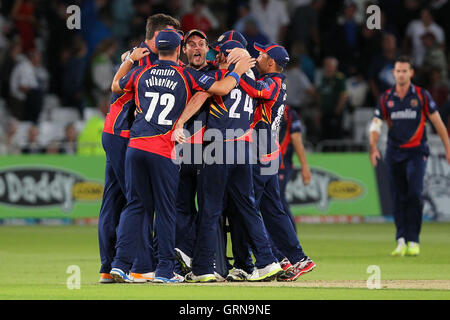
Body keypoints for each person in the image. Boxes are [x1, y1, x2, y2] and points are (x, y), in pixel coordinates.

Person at [109, 28, 256, 283]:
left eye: (202, 44)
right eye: (191, 44)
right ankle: (167, 270)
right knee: (172, 211)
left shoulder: (142, 71)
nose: (197, 48)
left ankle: (120, 265)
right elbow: (221, 87)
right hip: (167, 148)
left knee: (136, 206)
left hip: (137, 145)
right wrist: (239, 69)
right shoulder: (185, 74)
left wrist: (129, 59)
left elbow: (114, 86)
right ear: (180, 49)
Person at [174, 39, 284, 283]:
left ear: (226, 57)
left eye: (220, 54)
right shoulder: (252, 81)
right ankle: (267, 262)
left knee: (210, 209)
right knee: (248, 207)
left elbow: (202, 96)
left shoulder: (220, 79)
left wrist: (180, 123)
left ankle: (203, 268)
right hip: (245, 149)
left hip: (218, 148)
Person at [98, 13, 181, 284]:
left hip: (114, 132)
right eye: (173, 35)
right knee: (141, 202)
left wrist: (128, 58)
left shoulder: (135, 57)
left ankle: (109, 266)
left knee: (114, 201)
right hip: (128, 135)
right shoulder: (147, 61)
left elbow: (117, 84)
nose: (176, 41)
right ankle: (141, 266)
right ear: (159, 35)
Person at [225, 42, 316, 282]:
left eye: (262, 55)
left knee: (248, 208)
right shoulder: (277, 82)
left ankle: (268, 260)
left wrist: (237, 71)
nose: (257, 56)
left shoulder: (273, 84)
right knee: (273, 210)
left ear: (271, 62)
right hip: (270, 153)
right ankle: (296, 259)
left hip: (259, 153)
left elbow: (255, 90)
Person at [369, 56, 450, 257]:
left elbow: (438, 122)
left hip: (416, 152)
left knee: (414, 192)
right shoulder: (386, 97)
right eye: (398, 71)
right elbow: (376, 124)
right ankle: (401, 240)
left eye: (405, 71)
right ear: (394, 73)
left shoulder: (422, 96)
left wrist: (448, 147)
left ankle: (414, 240)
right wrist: (373, 146)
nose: (401, 74)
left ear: (411, 73)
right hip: (394, 152)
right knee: (397, 197)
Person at [278, 105, 311, 230]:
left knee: (277, 198)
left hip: (280, 164)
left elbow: (296, 138)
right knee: (274, 200)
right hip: (269, 162)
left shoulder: (289, 114)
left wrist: (305, 167)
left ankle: (290, 235)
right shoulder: (289, 112)